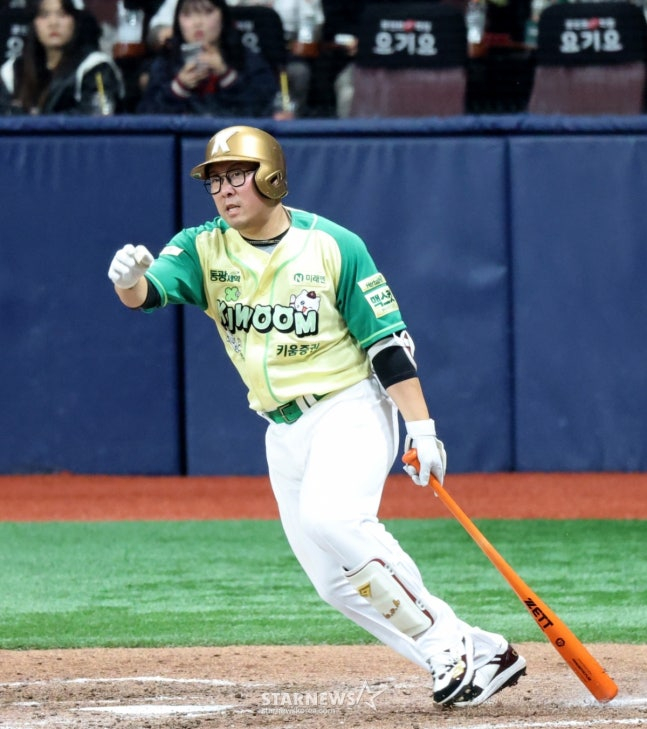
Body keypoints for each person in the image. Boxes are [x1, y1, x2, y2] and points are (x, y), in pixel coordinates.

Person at [107, 125, 527, 708]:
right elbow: (149, 294)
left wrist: (423, 429)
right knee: (333, 582)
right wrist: (129, 282)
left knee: (334, 518)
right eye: (215, 181)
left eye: (237, 175)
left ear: (271, 177)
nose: (224, 190)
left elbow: (386, 345)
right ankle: (483, 652)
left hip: (348, 406)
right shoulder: (202, 247)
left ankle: (444, 644)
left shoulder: (332, 244)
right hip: (282, 429)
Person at [142, 0, 323, 116]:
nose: (197, 22)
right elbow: (146, 116)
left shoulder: (246, 59)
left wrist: (227, 75)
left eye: (207, 12)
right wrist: (178, 87)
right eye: (188, 15)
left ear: (223, 17)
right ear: (177, 21)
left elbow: (265, 109)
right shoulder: (165, 63)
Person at [0, 0, 124, 115]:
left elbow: (101, 113)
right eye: (44, 15)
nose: (53, 23)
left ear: (76, 20)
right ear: (33, 23)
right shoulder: (13, 70)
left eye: (62, 14)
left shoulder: (97, 67)